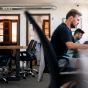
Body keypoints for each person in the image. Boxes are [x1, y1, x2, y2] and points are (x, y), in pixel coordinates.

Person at [50, 9, 88, 88]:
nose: (78, 22)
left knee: (81, 62)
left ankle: (67, 84)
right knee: (83, 67)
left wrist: (82, 50)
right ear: (71, 18)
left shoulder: (68, 30)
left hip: (60, 58)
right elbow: (70, 45)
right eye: (77, 19)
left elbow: (74, 46)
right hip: (59, 60)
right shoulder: (63, 28)